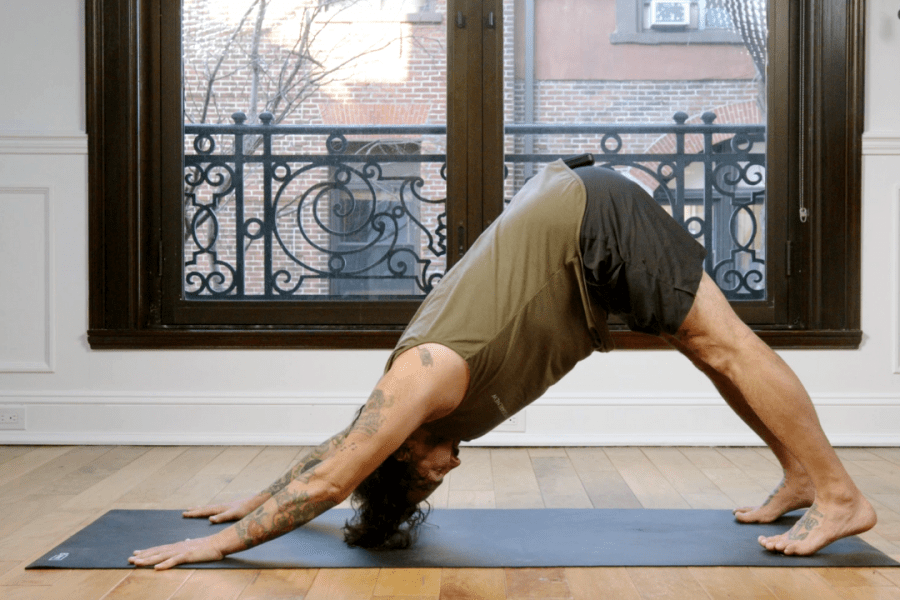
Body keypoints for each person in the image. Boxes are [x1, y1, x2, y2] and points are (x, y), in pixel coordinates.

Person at [129, 159, 876, 570]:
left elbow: (334, 476)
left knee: (724, 344)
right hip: (576, 232)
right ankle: (802, 475)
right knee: (705, 347)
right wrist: (247, 498)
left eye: (425, 473)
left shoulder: (422, 378)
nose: (445, 472)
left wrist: (220, 544)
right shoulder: (415, 411)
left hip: (592, 220)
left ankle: (839, 495)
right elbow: (338, 451)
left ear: (404, 451)